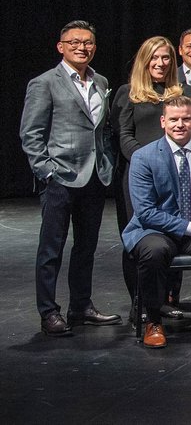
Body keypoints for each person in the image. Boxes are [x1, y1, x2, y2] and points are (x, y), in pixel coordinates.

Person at [21, 20, 121, 336]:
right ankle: (49, 312)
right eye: (74, 42)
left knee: (86, 247)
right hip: (60, 178)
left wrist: (107, 161)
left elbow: (101, 129)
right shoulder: (45, 83)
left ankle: (80, 306)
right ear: (61, 46)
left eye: (88, 42)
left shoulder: (101, 81)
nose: (82, 47)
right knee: (51, 249)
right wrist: (47, 172)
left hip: (94, 177)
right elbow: (31, 133)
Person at [122, 95, 191, 348]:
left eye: (186, 119)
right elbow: (146, 212)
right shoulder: (144, 157)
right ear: (163, 122)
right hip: (156, 229)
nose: (180, 124)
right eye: (173, 119)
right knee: (154, 251)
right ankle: (153, 320)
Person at [113, 37, 191, 319]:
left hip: (181, 174)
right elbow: (123, 135)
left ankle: (168, 297)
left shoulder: (185, 90)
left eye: (165, 58)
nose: (160, 63)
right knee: (141, 238)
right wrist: (149, 162)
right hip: (138, 175)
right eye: (154, 58)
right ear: (144, 61)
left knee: (177, 232)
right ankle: (139, 302)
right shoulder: (128, 93)